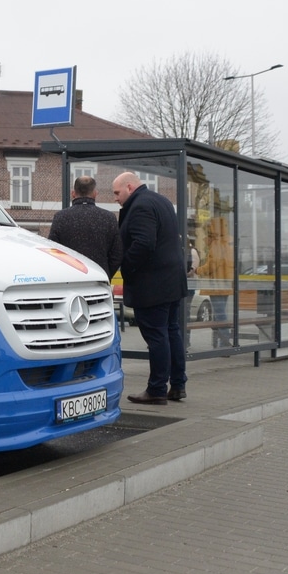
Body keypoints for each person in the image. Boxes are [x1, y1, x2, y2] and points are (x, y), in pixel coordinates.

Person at [113, 171, 188, 404]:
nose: (115, 198)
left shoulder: (140, 206)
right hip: (172, 281)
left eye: (117, 193)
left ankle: (156, 389)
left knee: (157, 336)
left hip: (152, 285)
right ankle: (177, 385)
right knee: (172, 332)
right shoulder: (161, 201)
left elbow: (144, 243)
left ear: (129, 187)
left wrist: (126, 267)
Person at [47, 176, 123, 279]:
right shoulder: (109, 217)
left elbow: (53, 252)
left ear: (73, 193)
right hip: (99, 280)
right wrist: (105, 274)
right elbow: (117, 254)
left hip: (70, 279)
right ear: (95, 194)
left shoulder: (60, 217)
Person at [197, 216, 235, 349]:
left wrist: (198, 270)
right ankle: (222, 343)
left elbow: (213, 264)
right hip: (224, 283)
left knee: (220, 314)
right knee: (220, 313)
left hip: (216, 285)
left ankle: (224, 344)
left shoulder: (217, 244)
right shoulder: (227, 242)